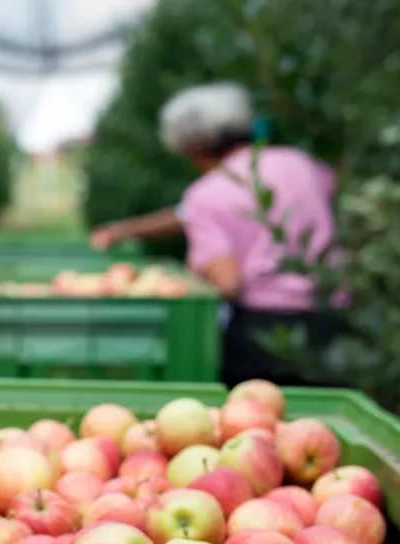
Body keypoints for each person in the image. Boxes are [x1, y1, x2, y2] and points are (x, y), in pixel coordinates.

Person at [91, 82, 346, 388]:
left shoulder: (208, 193)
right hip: (334, 323)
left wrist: (193, 270)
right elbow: (195, 213)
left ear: (195, 149)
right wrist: (125, 230)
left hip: (263, 336)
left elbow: (227, 282)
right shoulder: (301, 164)